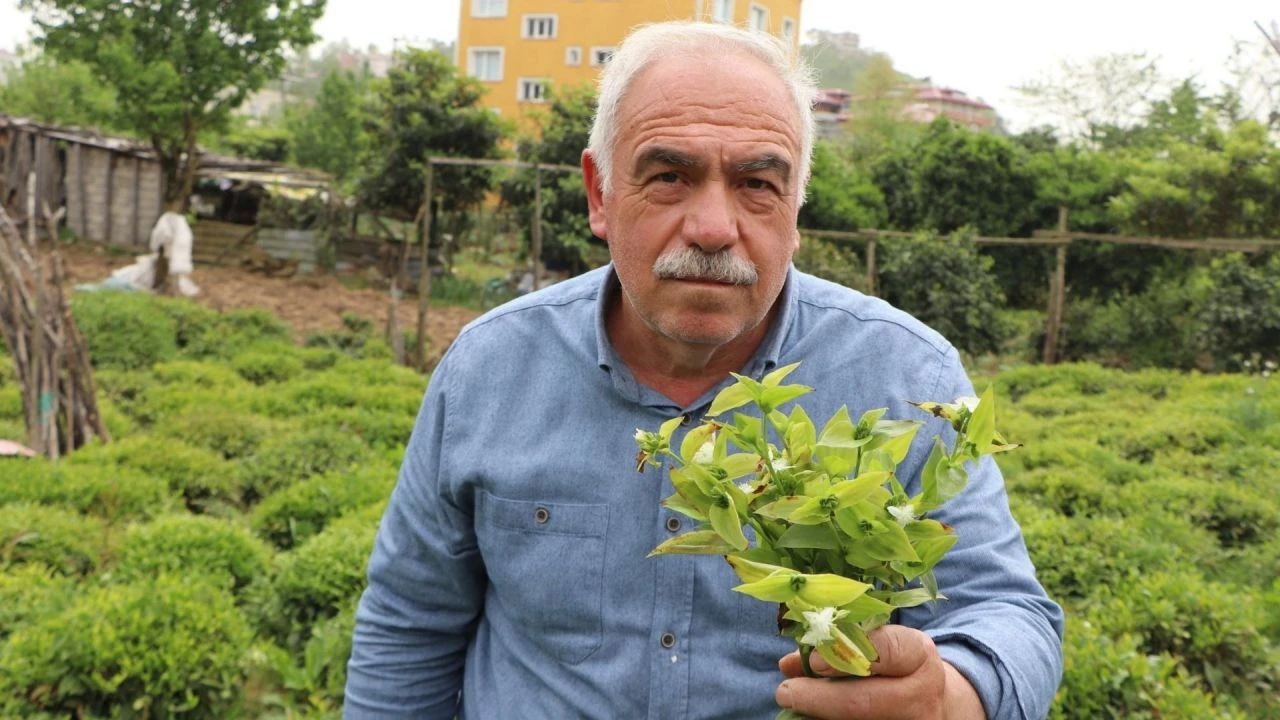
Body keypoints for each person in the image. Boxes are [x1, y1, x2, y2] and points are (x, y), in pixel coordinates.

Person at [345, 21, 1063, 720]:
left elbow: (1011, 613)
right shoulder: (490, 368)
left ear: (796, 206)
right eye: (669, 176)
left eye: (757, 183)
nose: (715, 228)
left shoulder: (906, 375)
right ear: (600, 194)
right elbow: (410, 623)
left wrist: (952, 694)